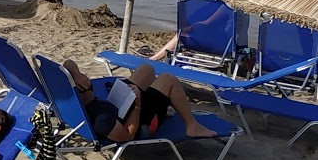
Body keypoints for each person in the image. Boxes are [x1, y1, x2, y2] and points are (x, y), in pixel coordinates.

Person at [62, 59, 217, 141]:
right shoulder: (100, 119)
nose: (88, 83)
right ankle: (192, 126)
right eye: (86, 88)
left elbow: (68, 63)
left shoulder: (72, 99)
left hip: (116, 106)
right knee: (168, 79)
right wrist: (136, 103)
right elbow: (129, 135)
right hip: (139, 122)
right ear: (82, 95)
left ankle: (163, 104)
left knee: (146, 69)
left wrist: (75, 74)